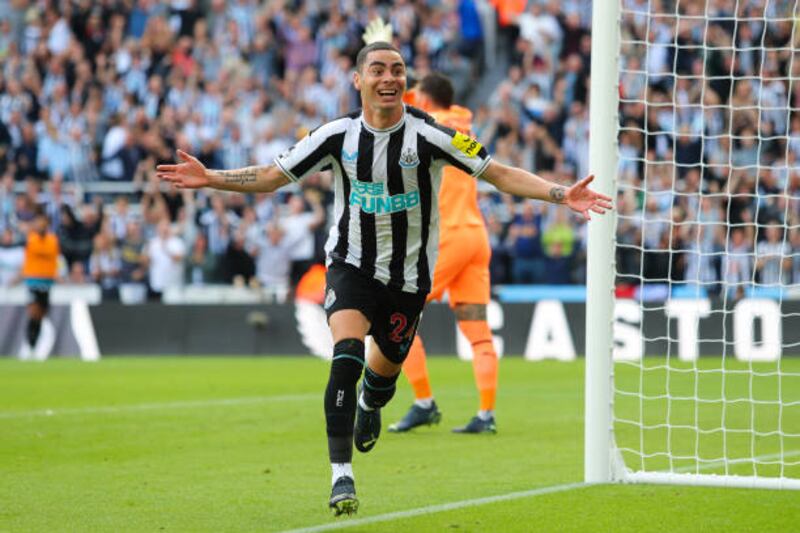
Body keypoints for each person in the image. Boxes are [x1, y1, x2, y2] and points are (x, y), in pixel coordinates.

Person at [156, 41, 611, 516]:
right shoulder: (335, 135)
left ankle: (372, 405)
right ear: (359, 80)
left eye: (397, 69)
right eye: (378, 69)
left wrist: (561, 194)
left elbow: (498, 172)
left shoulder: (433, 135)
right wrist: (211, 177)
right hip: (350, 265)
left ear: (406, 82)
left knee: (382, 375)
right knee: (346, 357)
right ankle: (341, 477)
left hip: (408, 280)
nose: (389, 77)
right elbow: (272, 176)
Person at [388, 72, 499, 435]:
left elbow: (391, 107)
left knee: (395, 314)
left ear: (424, 97)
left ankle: (424, 403)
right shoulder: (463, 125)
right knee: (477, 330)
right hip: (475, 235)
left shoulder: (427, 126)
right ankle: (486, 414)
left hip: (450, 235)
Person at [20, 206, 59, 361]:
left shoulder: (52, 240)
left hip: (47, 281)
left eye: (44, 222)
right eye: (39, 222)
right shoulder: (31, 238)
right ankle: (29, 346)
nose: (41, 225)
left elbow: (52, 255)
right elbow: (40, 252)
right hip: (33, 280)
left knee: (42, 314)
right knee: (34, 312)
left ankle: (34, 347)